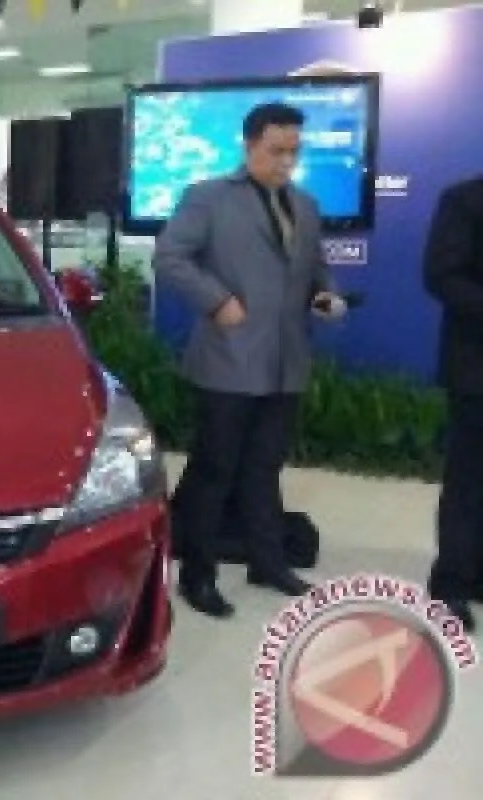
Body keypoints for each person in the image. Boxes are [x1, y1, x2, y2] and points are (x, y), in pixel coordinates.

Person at [153, 103, 348, 619]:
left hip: (285, 361)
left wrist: (324, 295)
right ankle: (198, 576)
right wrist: (216, 300)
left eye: (294, 152)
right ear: (249, 145)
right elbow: (169, 257)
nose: (286, 162)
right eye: (276, 150)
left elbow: (315, 270)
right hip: (228, 358)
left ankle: (268, 561)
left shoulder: (305, 205)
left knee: (264, 467)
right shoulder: (209, 197)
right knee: (214, 471)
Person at [424, 177, 483, 633]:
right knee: (469, 480)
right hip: (476, 368)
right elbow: (441, 275)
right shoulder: (464, 199)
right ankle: (451, 585)